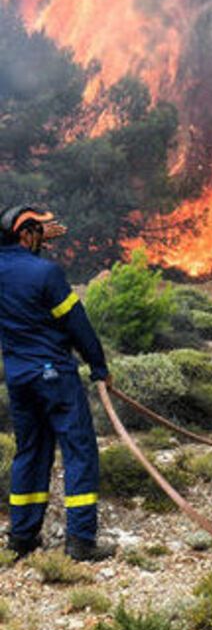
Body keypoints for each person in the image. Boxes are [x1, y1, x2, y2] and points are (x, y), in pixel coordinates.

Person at [0, 206, 115, 562]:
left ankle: (22, 537)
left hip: (19, 378)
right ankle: (80, 540)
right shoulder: (46, 273)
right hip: (54, 376)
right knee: (79, 450)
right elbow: (76, 324)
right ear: (26, 234)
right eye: (37, 233)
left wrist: (24, 237)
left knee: (31, 452)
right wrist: (99, 366)